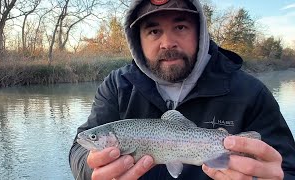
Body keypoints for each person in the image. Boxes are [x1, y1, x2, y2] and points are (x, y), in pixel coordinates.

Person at [69, 0, 295, 179]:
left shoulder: (251, 93)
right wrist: (93, 173)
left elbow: (287, 168)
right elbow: (78, 151)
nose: (167, 42)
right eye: (154, 31)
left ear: (201, 33)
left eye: (180, 26)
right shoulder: (116, 87)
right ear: (137, 40)